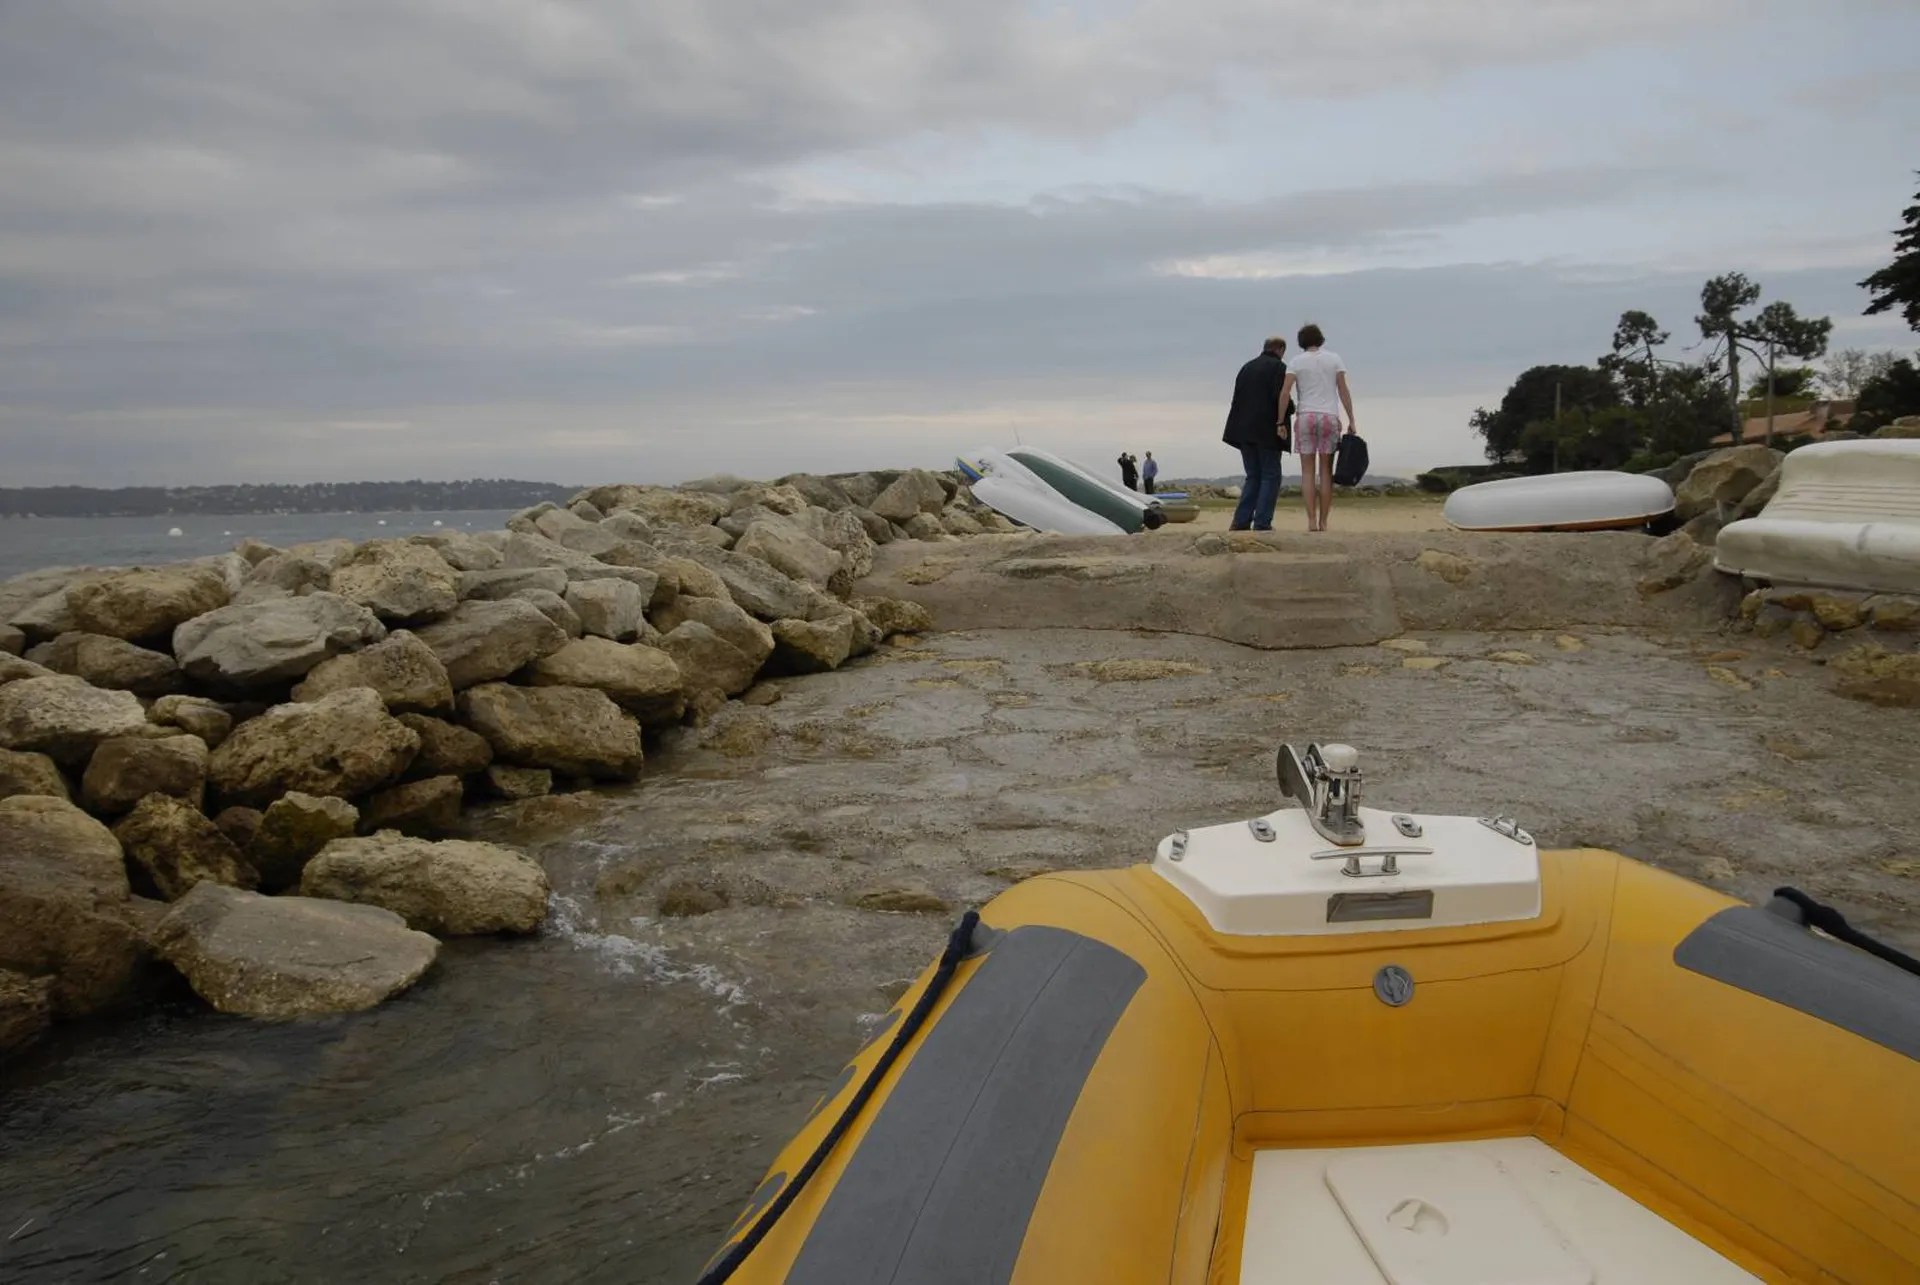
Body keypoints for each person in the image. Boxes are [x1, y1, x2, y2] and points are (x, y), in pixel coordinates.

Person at [1277, 323, 1354, 532]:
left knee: (1308, 472)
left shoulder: (1295, 362)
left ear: (1301, 342)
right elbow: (1343, 390)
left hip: (1306, 416)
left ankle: (1311, 520)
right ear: (1320, 339)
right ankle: (1324, 521)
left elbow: (1285, 392)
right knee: (1326, 472)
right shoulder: (1334, 359)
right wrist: (1351, 419)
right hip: (1329, 416)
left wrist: (1279, 420)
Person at [1221, 337, 1292, 531]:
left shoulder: (1246, 368)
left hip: (1243, 430)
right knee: (1271, 475)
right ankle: (1262, 522)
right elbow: (1280, 397)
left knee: (1253, 475)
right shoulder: (1279, 368)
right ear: (1280, 349)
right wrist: (1287, 414)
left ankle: (1241, 521)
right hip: (1267, 430)